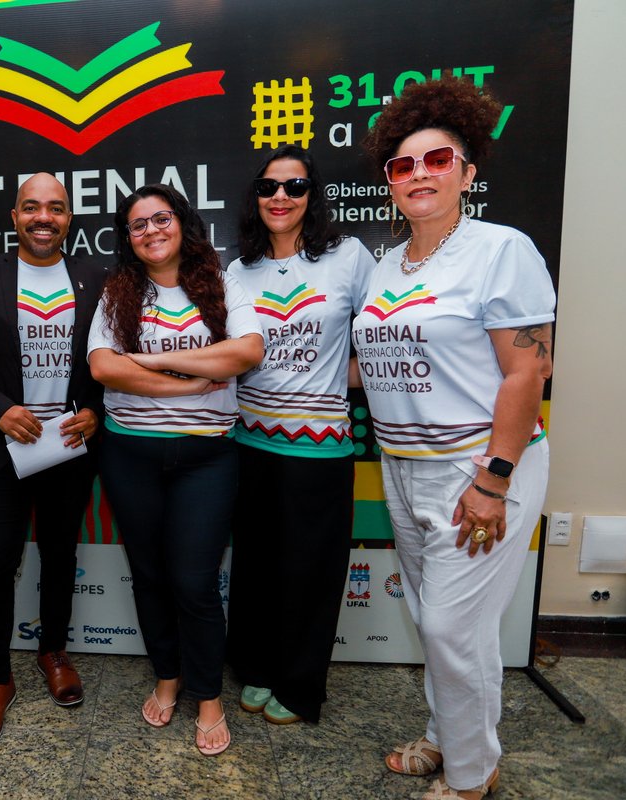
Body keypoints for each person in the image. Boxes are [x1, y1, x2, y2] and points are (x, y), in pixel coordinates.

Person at [355, 79, 555, 800]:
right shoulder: (388, 265)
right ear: (389, 182)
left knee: (448, 627)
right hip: (403, 467)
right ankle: (448, 736)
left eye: (437, 160)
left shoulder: (501, 250)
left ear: (467, 172)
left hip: (478, 468)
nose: (419, 174)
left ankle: (471, 776)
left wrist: (493, 479)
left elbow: (529, 369)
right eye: (402, 165)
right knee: (440, 624)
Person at [88, 184, 264, 757]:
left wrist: (154, 359)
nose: (151, 232)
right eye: (138, 225)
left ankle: (207, 694)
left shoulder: (221, 283)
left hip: (206, 458)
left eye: (160, 219)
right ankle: (168, 675)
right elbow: (104, 367)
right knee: (149, 574)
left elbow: (245, 353)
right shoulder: (118, 291)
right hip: (129, 455)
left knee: (193, 580)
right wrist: (187, 384)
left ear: (182, 222)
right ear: (128, 238)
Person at [0, 172, 107, 751]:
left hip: (67, 448)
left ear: (69, 218)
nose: (44, 217)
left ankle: (53, 651)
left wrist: (95, 410)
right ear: (14, 216)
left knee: (61, 556)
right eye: (32, 207)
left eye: (55, 208)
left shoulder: (96, 277)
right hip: (2, 451)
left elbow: (109, 358)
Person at [225, 146, 376, 725]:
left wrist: (333, 379)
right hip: (250, 443)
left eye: (294, 185)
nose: (281, 197)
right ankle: (257, 668)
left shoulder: (348, 257)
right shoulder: (238, 271)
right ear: (255, 197)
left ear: (313, 195)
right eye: (269, 187)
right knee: (257, 566)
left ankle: (300, 684)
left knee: (311, 572)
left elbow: (384, 338)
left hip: (321, 449)